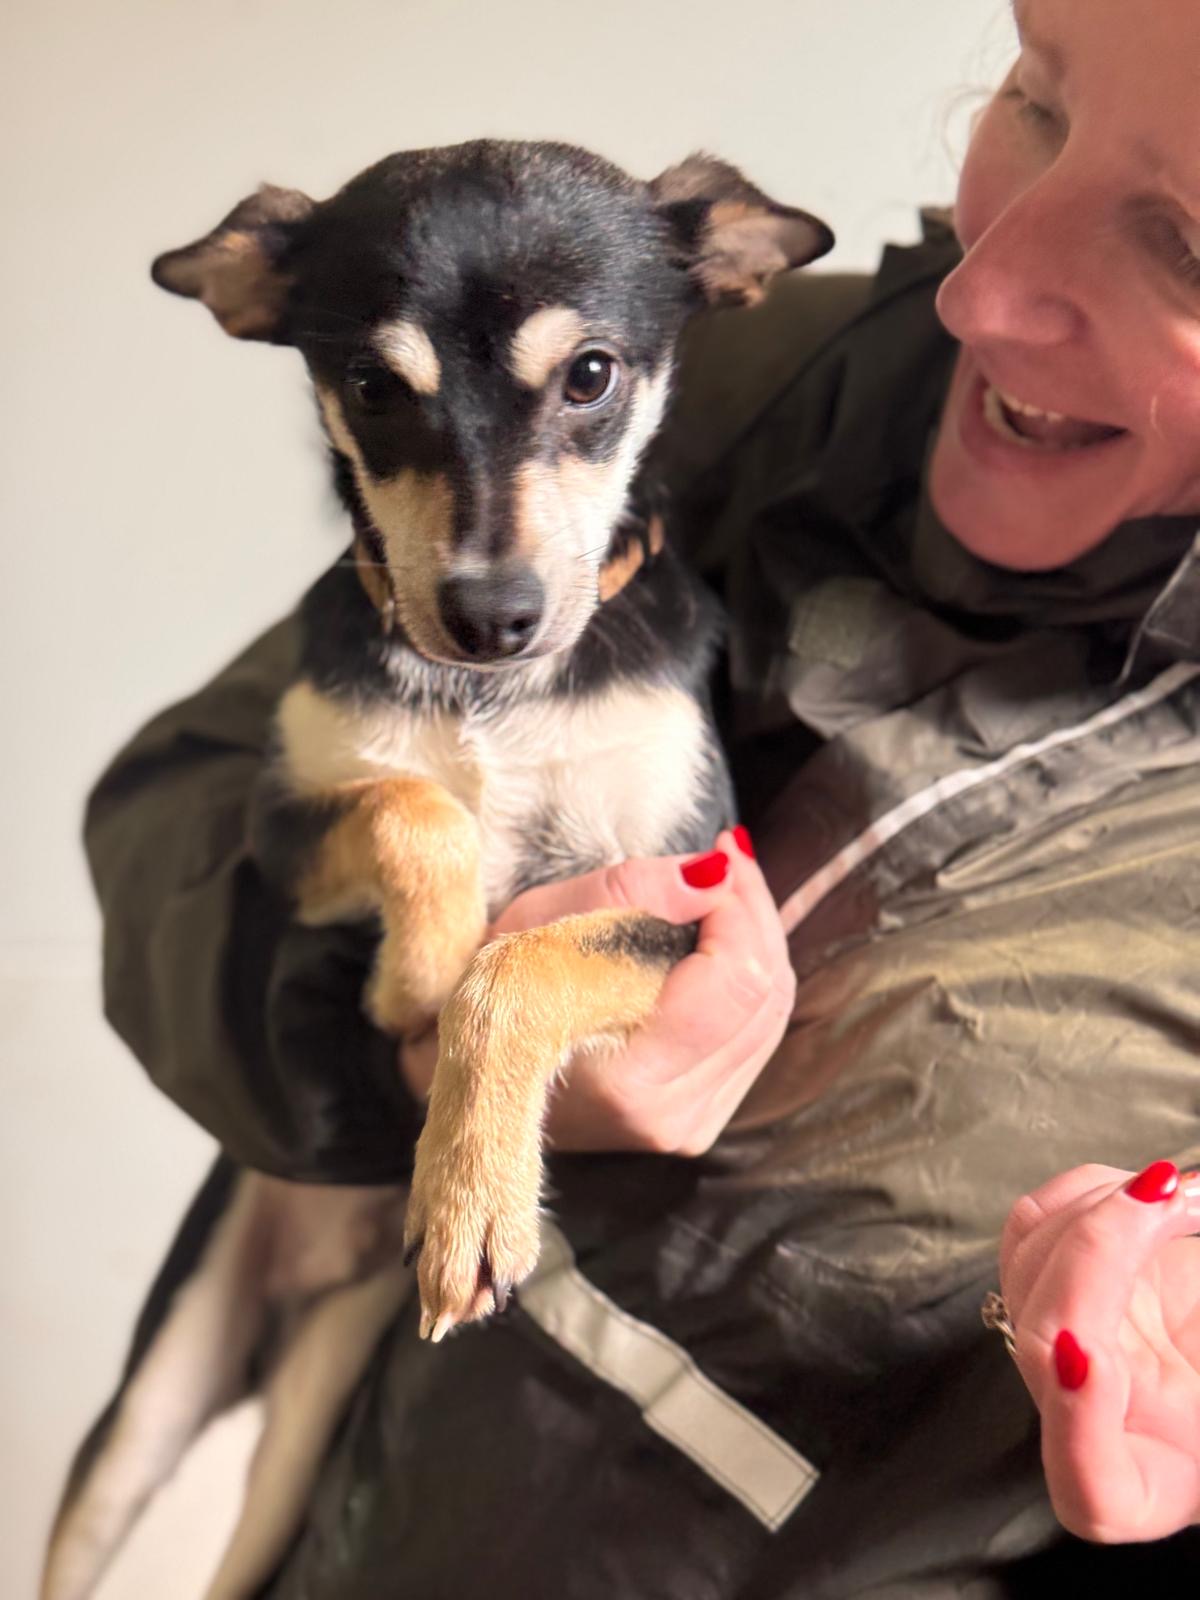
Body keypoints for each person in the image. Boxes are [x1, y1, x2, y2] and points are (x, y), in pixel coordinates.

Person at [82, 0, 1200, 1592]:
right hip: (375, 1496)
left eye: (1190, 245)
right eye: (1037, 96)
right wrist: (396, 1060)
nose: (983, 288)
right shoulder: (760, 362)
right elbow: (173, 817)